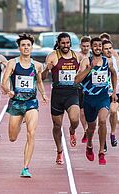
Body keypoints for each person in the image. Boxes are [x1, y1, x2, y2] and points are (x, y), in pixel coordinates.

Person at [1, 33, 48, 178]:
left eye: (28, 45)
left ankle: (25, 167)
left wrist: (43, 94)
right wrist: (8, 90)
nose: (26, 47)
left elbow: (39, 81)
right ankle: (20, 121)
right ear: (19, 48)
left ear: (32, 47)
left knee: (31, 133)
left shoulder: (37, 65)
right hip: (16, 103)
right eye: (23, 45)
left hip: (31, 103)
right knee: (12, 137)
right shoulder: (12, 63)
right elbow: (5, 80)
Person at [75, 37, 117, 165]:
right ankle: (89, 145)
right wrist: (89, 69)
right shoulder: (85, 61)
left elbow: (114, 74)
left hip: (103, 97)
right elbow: (76, 80)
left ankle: (101, 152)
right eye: (96, 46)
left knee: (103, 121)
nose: (98, 48)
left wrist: (114, 91)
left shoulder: (107, 62)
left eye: (100, 46)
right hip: (89, 99)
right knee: (91, 127)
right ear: (91, 47)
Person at [42, 32, 80, 165]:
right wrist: (47, 69)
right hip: (57, 94)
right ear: (58, 43)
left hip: (72, 93)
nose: (66, 45)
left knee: (75, 119)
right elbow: (42, 78)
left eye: (68, 43)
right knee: (57, 126)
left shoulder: (77, 56)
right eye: (63, 43)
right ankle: (59, 151)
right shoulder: (52, 56)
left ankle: (72, 130)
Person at [102, 39, 119, 149]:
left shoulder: (117, 60)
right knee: (102, 119)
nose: (108, 51)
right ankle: (103, 141)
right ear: (101, 50)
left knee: (113, 110)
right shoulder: (98, 61)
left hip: (115, 91)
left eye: (110, 48)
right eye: (106, 49)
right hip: (102, 92)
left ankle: (112, 134)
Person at [76, 36, 91, 144]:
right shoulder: (77, 56)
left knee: (90, 110)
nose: (85, 48)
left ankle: (90, 128)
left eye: (87, 46)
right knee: (81, 111)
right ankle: (85, 129)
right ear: (80, 46)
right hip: (80, 86)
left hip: (92, 86)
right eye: (84, 46)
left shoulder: (93, 56)